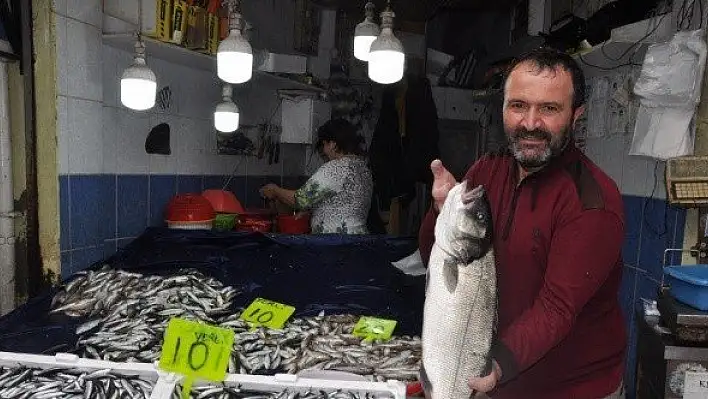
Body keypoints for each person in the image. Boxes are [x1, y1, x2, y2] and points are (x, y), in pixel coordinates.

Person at [418, 47, 626, 399]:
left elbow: (556, 308)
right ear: (503, 109)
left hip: (571, 390)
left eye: (549, 108)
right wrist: (440, 212)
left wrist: (496, 366)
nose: (530, 123)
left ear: (576, 115)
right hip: (493, 376)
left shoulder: (592, 202)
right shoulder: (487, 170)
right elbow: (435, 262)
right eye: (518, 106)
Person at [260, 118, 373, 234]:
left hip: (335, 242)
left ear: (333, 144)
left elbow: (300, 200)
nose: (324, 150)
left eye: (324, 144)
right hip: (359, 239)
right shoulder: (363, 168)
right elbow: (344, 202)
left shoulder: (335, 168)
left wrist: (275, 190)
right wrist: (313, 210)